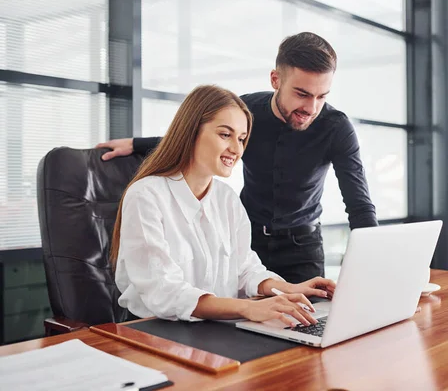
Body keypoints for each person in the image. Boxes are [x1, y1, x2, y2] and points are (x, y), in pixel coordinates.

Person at [99, 32, 378, 284]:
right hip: (246, 241)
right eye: (302, 94)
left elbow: (360, 207)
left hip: (303, 248)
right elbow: (198, 137)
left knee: (308, 330)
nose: (311, 107)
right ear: (275, 79)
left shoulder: (336, 128)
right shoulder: (245, 112)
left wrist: (376, 270)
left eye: (321, 96)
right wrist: (135, 144)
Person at [112, 84, 335, 326]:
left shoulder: (227, 199)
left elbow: (245, 269)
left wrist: (288, 289)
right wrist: (250, 308)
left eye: (241, 139)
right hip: (153, 331)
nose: (236, 149)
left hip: (216, 328)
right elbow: (164, 292)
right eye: (225, 135)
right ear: (191, 131)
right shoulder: (146, 196)